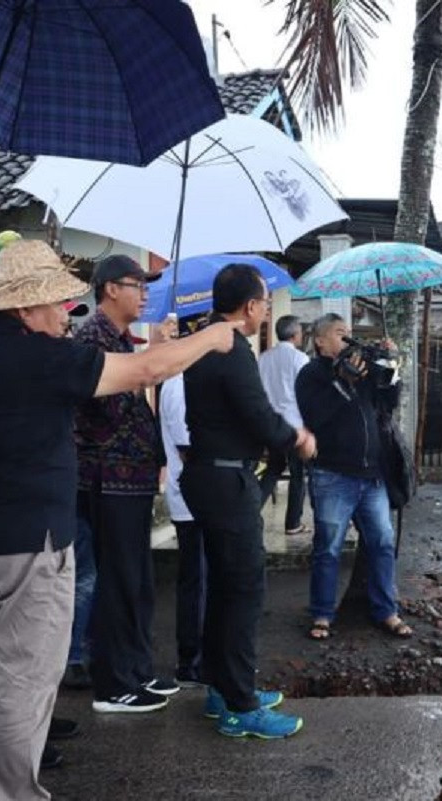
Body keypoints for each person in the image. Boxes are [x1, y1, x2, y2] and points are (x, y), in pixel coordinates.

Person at [0, 240, 237, 800]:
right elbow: (145, 369)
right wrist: (213, 336)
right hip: (29, 548)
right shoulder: (44, 357)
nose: (64, 314)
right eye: (54, 304)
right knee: (23, 683)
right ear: (23, 308)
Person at [181, 263, 316, 739]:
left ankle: (223, 687)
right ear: (250, 306)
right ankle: (239, 705)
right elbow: (258, 416)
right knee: (243, 591)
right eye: (262, 303)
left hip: (207, 476)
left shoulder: (202, 341)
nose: (263, 312)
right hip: (224, 482)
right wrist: (296, 438)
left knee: (223, 588)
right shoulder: (231, 348)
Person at [74, 255, 178, 713]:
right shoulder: (92, 338)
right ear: (110, 289)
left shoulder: (118, 339)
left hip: (132, 480)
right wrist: (151, 361)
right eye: (137, 285)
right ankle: (113, 683)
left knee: (136, 579)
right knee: (116, 580)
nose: (145, 294)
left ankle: (137, 671)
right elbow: (112, 409)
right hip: (105, 481)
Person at [295, 314, 410, 641]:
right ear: (319, 340)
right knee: (328, 548)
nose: (347, 339)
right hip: (333, 474)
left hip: (372, 475)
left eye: (349, 333)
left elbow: (389, 401)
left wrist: (390, 364)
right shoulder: (312, 374)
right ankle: (322, 614)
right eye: (339, 333)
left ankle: (386, 610)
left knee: (382, 543)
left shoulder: (361, 368)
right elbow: (315, 416)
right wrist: (343, 381)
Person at [158, 362, 207, 686]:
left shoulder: (188, 381)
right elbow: (187, 446)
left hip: (203, 497)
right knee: (197, 581)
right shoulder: (178, 384)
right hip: (193, 499)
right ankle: (191, 661)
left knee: (205, 580)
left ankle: (203, 657)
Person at [258, 314, 311, 535]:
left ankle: (252, 510)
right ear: (294, 334)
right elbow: (306, 393)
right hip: (295, 424)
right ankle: (293, 522)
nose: (302, 335)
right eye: (300, 331)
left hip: (271, 422)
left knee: (274, 468)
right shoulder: (300, 359)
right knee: (298, 474)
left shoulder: (264, 358)